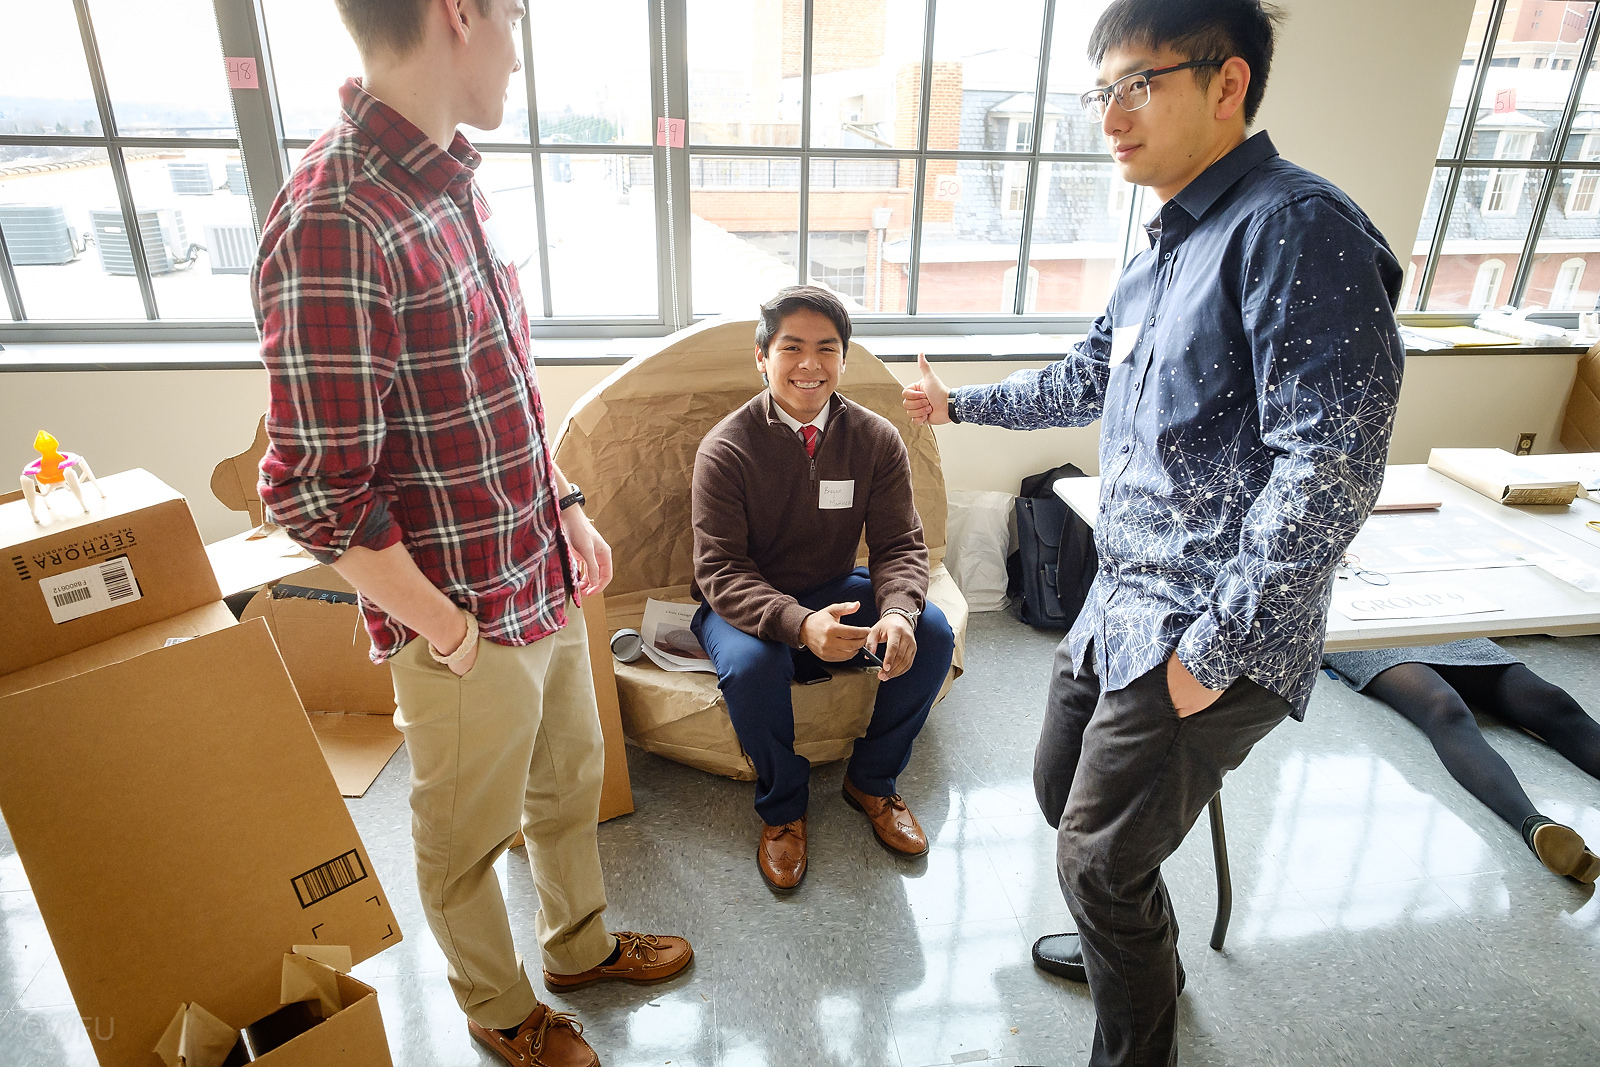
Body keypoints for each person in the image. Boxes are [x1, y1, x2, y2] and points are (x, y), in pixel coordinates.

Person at [902, 1, 1405, 1063]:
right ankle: (1135, 940)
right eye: (1100, 92)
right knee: (1057, 793)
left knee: (1094, 857)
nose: (1111, 115)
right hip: (1120, 599)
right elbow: (1088, 377)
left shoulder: (1294, 227)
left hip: (1207, 628)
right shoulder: (1163, 246)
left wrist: (1213, 652)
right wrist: (961, 406)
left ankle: (1137, 1033)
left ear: (1227, 85)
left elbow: (1333, 463)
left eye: (1139, 85)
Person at [252, 2, 691, 1064]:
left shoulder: (448, 179)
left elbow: (498, 389)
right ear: (460, 14)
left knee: (566, 780)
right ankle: (499, 1009)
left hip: (534, 569)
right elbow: (313, 494)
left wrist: (567, 504)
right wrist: (445, 630)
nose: (518, 55)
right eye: (517, 25)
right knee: (462, 839)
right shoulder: (335, 217)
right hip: (459, 619)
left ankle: (576, 945)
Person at [691, 285, 956, 892]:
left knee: (933, 633)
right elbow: (720, 571)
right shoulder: (726, 449)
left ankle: (873, 780)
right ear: (762, 357)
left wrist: (897, 614)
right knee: (754, 667)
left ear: (844, 358)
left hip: (833, 584)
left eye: (826, 349)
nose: (809, 365)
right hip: (743, 602)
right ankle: (784, 809)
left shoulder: (876, 438)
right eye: (792, 348)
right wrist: (800, 624)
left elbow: (899, 547)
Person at [1324, 639, 1600, 884]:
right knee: (1444, 707)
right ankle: (1534, 825)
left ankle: (1536, 827)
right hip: (1360, 630)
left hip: (1430, 609)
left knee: (1549, 699)